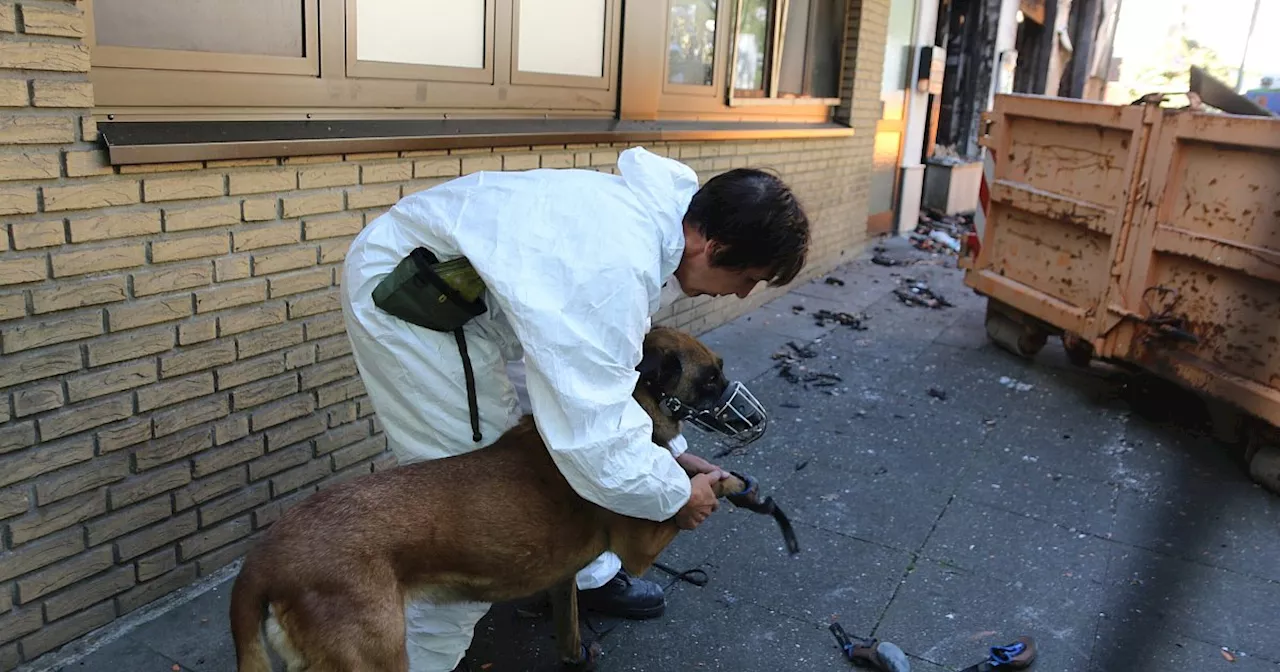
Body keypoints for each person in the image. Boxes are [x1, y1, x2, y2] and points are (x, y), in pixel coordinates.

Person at [340, 146, 810, 672]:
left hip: (476, 308)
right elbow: (593, 432)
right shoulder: (615, 263)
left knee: (538, 458)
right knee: (476, 524)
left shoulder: (649, 229)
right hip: (413, 300)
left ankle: (587, 575)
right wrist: (675, 493)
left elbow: (604, 377)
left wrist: (670, 454)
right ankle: (419, 653)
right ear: (712, 244)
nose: (743, 293)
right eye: (749, 276)